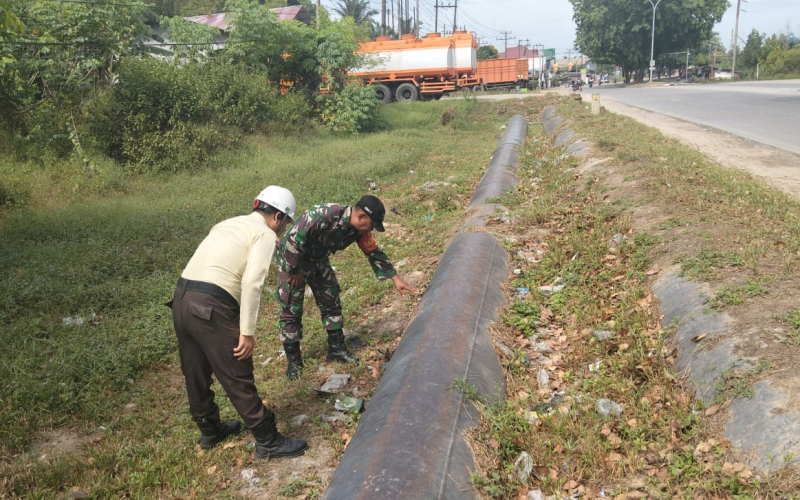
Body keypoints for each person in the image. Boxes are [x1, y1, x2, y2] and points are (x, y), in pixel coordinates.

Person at [169, 186, 308, 459]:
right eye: (284, 223)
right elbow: (252, 282)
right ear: (277, 217)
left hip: (182, 299)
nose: (281, 230)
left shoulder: (228, 223)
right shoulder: (265, 234)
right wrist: (247, 332)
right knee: (236, 372)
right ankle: (267, 439)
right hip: (211, 305)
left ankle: (210, 430)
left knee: (195, 371)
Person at [274, 195, 419, 380]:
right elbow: (293, 240)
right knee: (291, 308)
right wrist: (294, 270)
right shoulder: (324, 215)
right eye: (372, 224)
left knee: (331, 300)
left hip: (318, 260)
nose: (372, 229)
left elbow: (372, 251)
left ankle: (336, 349)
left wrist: (395, 278)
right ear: (361, 217)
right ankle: (294, 362)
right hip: (293, 260)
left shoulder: (358, 230)